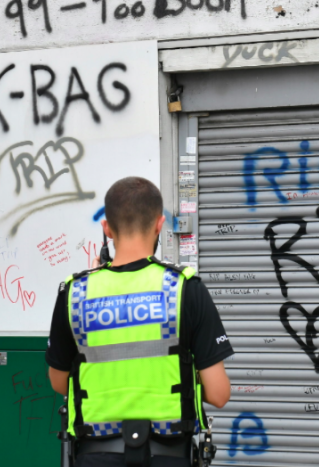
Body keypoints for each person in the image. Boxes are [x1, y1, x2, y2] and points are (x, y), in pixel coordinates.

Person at [47, 176, 233, 467]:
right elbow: (219, 394)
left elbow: (59, 382)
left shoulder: (75, 294)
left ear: (106, 229)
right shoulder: (186, 289)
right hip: (167, 456)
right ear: (160, 225)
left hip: (96, 456)